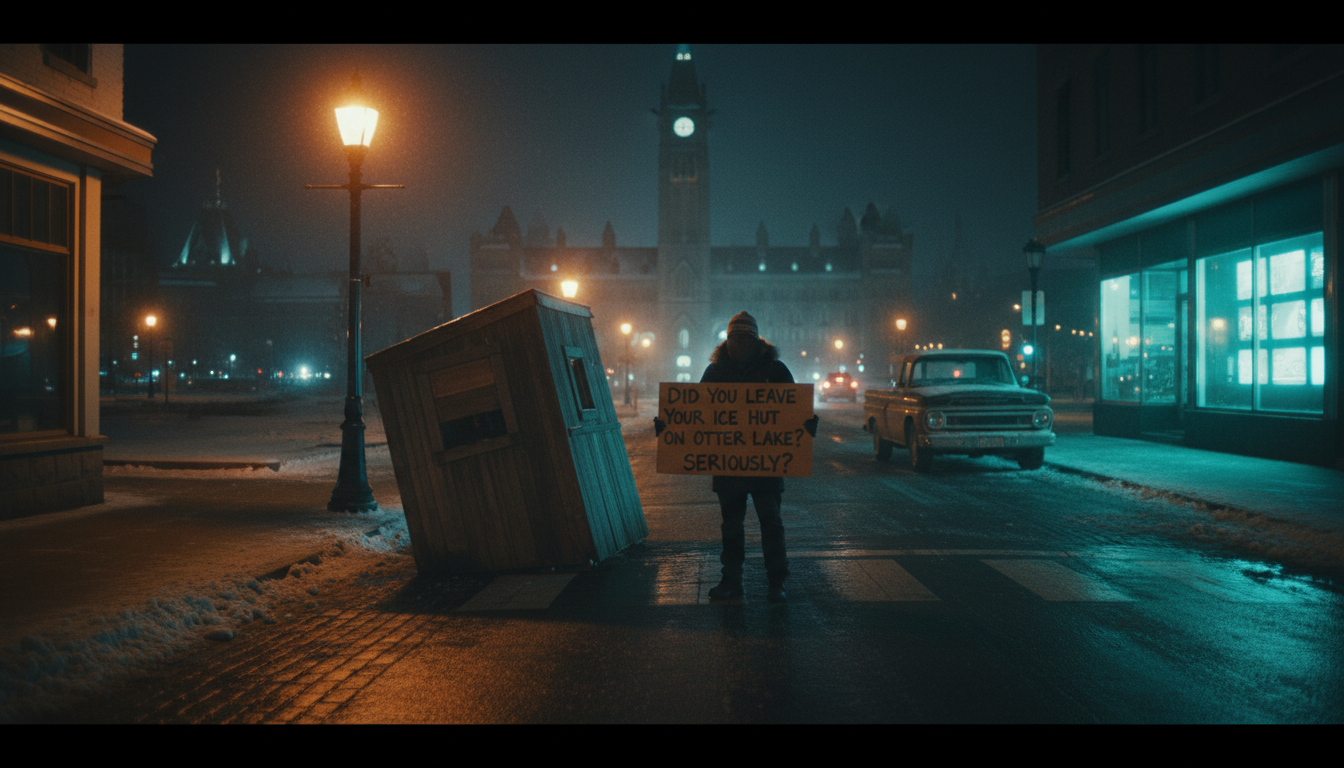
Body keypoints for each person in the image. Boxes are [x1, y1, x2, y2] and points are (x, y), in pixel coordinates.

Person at [658, 311, 816, 603]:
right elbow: (697, 415)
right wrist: (670, 425)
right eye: (735, 339)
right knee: (734, 526)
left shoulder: (774, 371)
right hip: (731, 466)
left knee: (770, 524)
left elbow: (794, 411)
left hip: (763, 467)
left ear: (755, 341)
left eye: (745, 339)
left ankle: (774, 582)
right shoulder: (717, 372)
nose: (740, 345)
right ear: (728, 341)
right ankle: (734, 581)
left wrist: (806, 423)